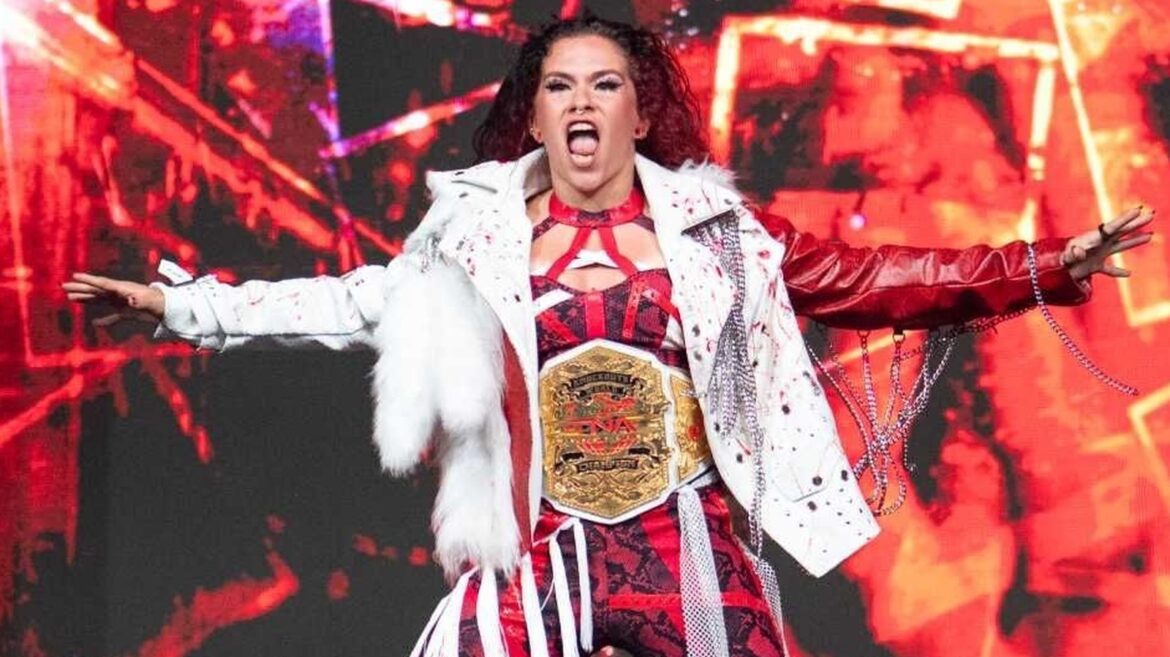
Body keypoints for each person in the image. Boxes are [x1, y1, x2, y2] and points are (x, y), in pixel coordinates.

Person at [63, 15, 1153, 657]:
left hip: (687, 547)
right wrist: (182, 304)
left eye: (605, 84)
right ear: (535, 114)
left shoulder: (718, 234)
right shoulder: (476, 237)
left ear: (639, 110)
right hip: (535, 550)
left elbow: (870, 278)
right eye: (560, 87)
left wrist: (1045, 266)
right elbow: (348, 304)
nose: (582, 103)